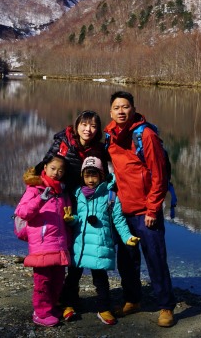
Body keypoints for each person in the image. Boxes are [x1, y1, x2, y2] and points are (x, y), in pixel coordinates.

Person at [23, 110, 111, 317]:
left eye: (93, 126)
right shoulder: (63, 141)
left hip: (86, 200)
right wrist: (33, 187)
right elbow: (48, 165)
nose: (88, 129)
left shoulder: (99, 148)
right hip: (63, 200)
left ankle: (77, 299)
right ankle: (67, 299)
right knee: (69, 251)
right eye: (84, 124)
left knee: (83, 248)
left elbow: (105, 174)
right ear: (77, 124)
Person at [104, 90, 177, 328]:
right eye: (117, 107)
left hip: (146, 211)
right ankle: (132, 300)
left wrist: (153, 209)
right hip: (122, 212)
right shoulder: (109, 136)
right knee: (126, 261)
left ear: (133, 109)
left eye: (125, 107)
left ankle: (166, 306)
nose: (121, 111)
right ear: (111, 112)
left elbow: (159, 175)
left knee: (155, 259)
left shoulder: (145, 135)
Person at [60, 156, 140, 325]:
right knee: (72, 277)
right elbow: (76, 218)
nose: (90, 180)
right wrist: (70, 219)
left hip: (99, 245)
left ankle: (104, 308)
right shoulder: (77, 194)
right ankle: (68, 305)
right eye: (87, 175)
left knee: (101, 280)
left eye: (94, 175)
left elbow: (118, 220)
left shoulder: (110, 196)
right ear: (82, 176)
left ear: (102, 175)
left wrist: (127, 237)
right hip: (80, 244)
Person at [14, 155, 72, 327]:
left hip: (60, 244)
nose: (56, 173)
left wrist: (70, 223)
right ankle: (40, 313)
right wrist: (40, 200)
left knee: (58, 279)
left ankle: (51, 307)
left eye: (60, 170)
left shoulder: (62, 192)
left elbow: (65, 217)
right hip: (41, 244)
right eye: (53, 168)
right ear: (45, 168)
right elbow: (23, 212)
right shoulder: (35, 189)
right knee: (42, 281)